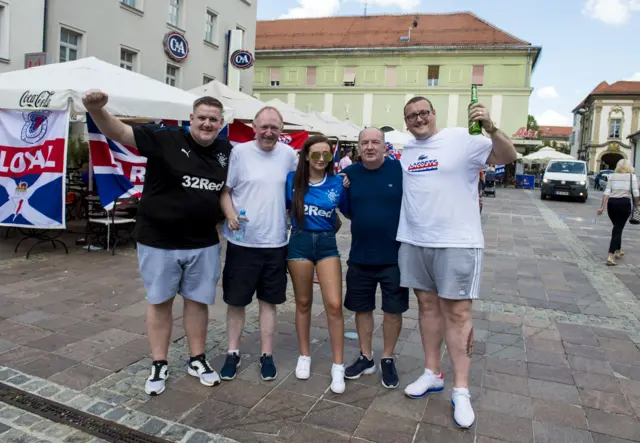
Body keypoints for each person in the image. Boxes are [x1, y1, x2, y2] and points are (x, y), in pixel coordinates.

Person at [82, 90, 232, 396]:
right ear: (191, 118)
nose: (206, 124)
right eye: (201, 118)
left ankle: (197, 359)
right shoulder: (165, 137)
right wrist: (96, 111)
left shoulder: (227, 151)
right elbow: (119, 131)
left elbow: (229, 189)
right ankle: (160, 362)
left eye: (213, 120)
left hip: (203, 242)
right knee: (160, 302)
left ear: (221, 123)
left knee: (197, 302)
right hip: (158, 241)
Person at [399, 96, 517, 428]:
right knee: (426, 307)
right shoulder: (406, 151)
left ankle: (461, 389)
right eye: (412, 115)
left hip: (457, 242)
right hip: (414, 240)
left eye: (424, 112)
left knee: (459, 312)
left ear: (434, 114)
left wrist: (492, 127)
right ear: (406, 121)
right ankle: (432, 372)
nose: (419, 118)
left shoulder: (463, 139)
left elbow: (508, 156)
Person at [219, 107, 297, 382]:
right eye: (264, 126)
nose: (268, 132)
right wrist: (229, 216)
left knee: (269, 302)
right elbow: (225, 192)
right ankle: (232, 352)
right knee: (236, 302)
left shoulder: (289, 155)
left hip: (275, 242)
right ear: (254, 126)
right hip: (243, 242)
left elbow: (301, 188)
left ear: (281, 129)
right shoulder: (239, 152)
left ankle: (266, 354)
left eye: (274, 127)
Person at [341, 127, 408, 389]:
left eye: (375, 142)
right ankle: (366, 356)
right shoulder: (348, 174)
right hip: (360, 255)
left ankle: (387, 358)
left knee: (393, 310)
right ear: (358, 146)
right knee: (362, 308)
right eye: (365, 142)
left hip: (395, 256)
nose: (370, 147)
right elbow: (345, 210)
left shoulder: (399, 171)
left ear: (384, 146)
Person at [286, 135, 348, 393]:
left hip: (326, 245)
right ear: (306, 156)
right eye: (315, 154)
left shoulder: (339, 182)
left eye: (326, 155)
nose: (321, 159)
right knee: (302, 303)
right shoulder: (291, 180)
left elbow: (349, 211)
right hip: (299, 242)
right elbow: (282, 208)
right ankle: (304, 355)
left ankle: (338, 365)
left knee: (334, 305)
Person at [597, 159, 640, 266]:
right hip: (624, 204)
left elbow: (607, 192)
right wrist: (637, 204)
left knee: (617, 227)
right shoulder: (632, 176)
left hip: (611, 204)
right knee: (617, 229)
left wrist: (602, 207)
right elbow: (636, 193)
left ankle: (618, 250)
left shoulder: (613, 176)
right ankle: (610, 255)